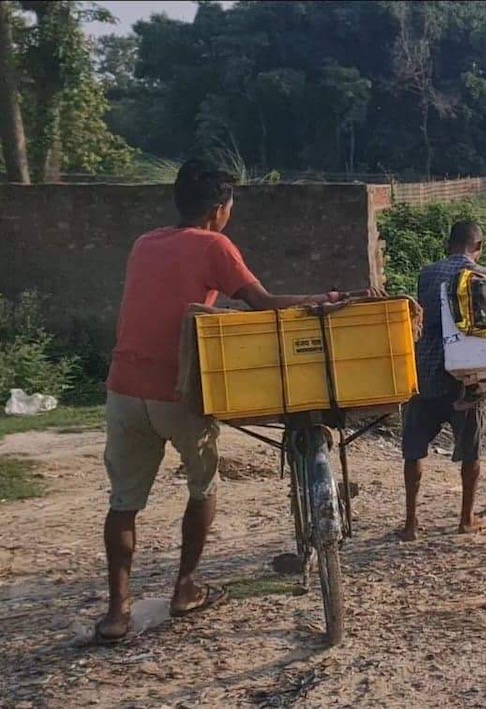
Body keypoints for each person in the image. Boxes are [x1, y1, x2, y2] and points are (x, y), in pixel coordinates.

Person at [97, 159, 381, 643]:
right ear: (218, 209)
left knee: (123, 503)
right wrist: (336, 296)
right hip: (178, 390)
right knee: (202, 487)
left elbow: (171, 302)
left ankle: (115, 613)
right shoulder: (214, 244)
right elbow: (264, 304)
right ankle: (185, 588)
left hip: (123, 387)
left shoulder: (144, 244)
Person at [399, 221, 486, 542]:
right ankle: (466, 519)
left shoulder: (426, 274)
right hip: (467, 380)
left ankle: (411, 524)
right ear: (479, 247)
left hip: (425, 372)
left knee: (413, 451)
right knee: (470, 452)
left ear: (448, 244)